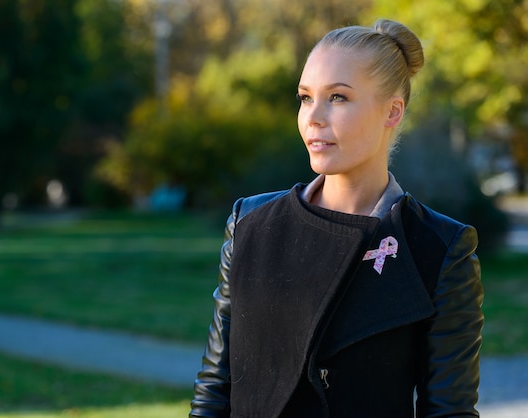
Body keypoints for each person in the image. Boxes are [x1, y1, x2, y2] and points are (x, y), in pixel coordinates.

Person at [190, 18, 484, 418]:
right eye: (305, 97)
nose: (314, 116)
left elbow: (449, 412)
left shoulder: (439, 248)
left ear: (392, 112)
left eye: (338, 98)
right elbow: (214, 389)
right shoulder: (251, 224)